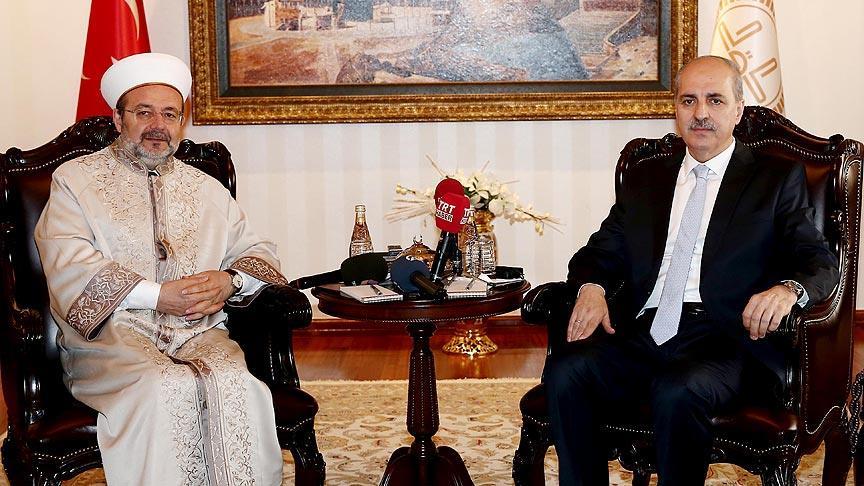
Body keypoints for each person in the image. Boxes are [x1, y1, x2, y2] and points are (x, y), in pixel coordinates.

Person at [545, 55, 839, 485]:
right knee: (567, 372)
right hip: (643, 328)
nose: (701, 112)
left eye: (715, 100)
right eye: (689, 101)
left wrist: (788, 289)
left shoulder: (774, 179)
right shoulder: (648, 177)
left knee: (678, 390)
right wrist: (592, 286)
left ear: (738, 110)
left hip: (725, 336)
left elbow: (818, 260)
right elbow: (598, 252)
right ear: (676, 109)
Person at [35, 53, 286, 485]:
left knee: (239, 387)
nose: (158, 125)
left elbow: (259, 251)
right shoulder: (75, 180)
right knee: (162, 386)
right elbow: (68, 261)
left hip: (199, 332)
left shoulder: (205, 188)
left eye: (170, 114)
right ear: (118, 119)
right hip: (111, 339)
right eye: (144, 112)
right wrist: (157, 296)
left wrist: (230, 281)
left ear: (181, 122)